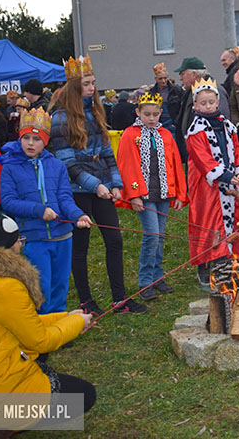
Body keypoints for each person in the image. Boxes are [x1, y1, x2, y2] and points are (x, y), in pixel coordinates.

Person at [0, 211, 97, 418]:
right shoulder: (6, 287)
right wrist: (76, 323)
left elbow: (20, 322)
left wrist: (64, 317)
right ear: (4, 248)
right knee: (83, 394)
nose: (20, 245)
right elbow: (39, 341)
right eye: (18, 240)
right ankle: (1, 426)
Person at [49, 55, 147, 316]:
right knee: (80, 245)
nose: (92, 88)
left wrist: (115, 183)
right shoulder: (59, 118)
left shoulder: (96, 111)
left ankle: (119, 299)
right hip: (76, 189)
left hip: (101, 185)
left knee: (114, 239)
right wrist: (95, 186)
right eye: (87, 83)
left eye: (93, 83)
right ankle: (85, 301)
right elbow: (67, 162)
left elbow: (106, 151)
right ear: (74, 87)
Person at [0, 107, 93, 314]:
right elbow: (8, 201)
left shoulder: (57, 166)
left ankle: (59, 324)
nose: (31, 144)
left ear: (46, 141)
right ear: (20, 138)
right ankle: (42, 327)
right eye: (27, 138)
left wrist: (78, 215)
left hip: (63, 236)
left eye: (37, 139)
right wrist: (39, 210)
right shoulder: (10, 167)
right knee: (42, 286)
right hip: (34, 238)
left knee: (60, 285)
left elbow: (65, 199)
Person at [117, 91, 187, 301]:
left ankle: (157, 276)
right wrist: (134, 194)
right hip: (145, 194)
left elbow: (175, 164)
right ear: (138, 112)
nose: (151, 118)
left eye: (155, 114)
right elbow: (126, 165)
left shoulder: (165, 134)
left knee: (160, 236)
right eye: (147, 114)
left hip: (164, 193)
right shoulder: (130, 135)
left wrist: (180, 193)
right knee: (152, 236)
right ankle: (145, 281)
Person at [185, 77, 239, 290]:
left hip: (228, 183)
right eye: (203, 103)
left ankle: (231, 262)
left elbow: (237, 150)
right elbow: (204, 161)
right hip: (206, 187)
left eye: (211, 102)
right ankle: (205, 266)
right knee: (208, 225)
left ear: (217, 101)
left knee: (232, 222)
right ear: (195, 105)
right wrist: (227, 176)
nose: (208, 106)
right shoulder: (195, 130)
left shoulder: (228, 126)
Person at [173, 57, 230, 162]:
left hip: (208, 155)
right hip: (195, 153)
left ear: (194, 74)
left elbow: (221, 122)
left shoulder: (213, 91)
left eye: (182, 74)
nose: (180, 78)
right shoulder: (191, 91)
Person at [149, 63, 184, 131]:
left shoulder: (176, 90)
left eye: (165, 78)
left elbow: (182, 108)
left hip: (173, 124)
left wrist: (176, 122)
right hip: (158, 124)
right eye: (160, 79)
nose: (163, 81)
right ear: (156, 79)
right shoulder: (152, 92)